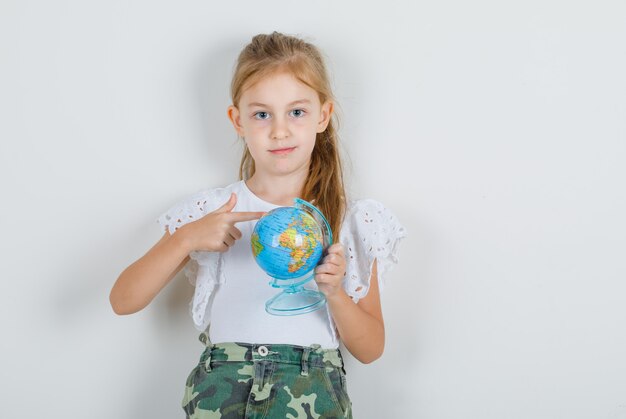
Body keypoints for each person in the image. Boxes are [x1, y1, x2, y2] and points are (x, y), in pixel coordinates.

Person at [110, 31, 406, 418]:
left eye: (296, 112)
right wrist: (184, 239)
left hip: (311, 391)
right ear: (237, 119)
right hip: (221, 392)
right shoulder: (213, 210)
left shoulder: (350, 219)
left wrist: (334, 292)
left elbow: (371, 349)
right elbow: (123, 300)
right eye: (262, 114)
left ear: (323, 116)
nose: (279, 130)